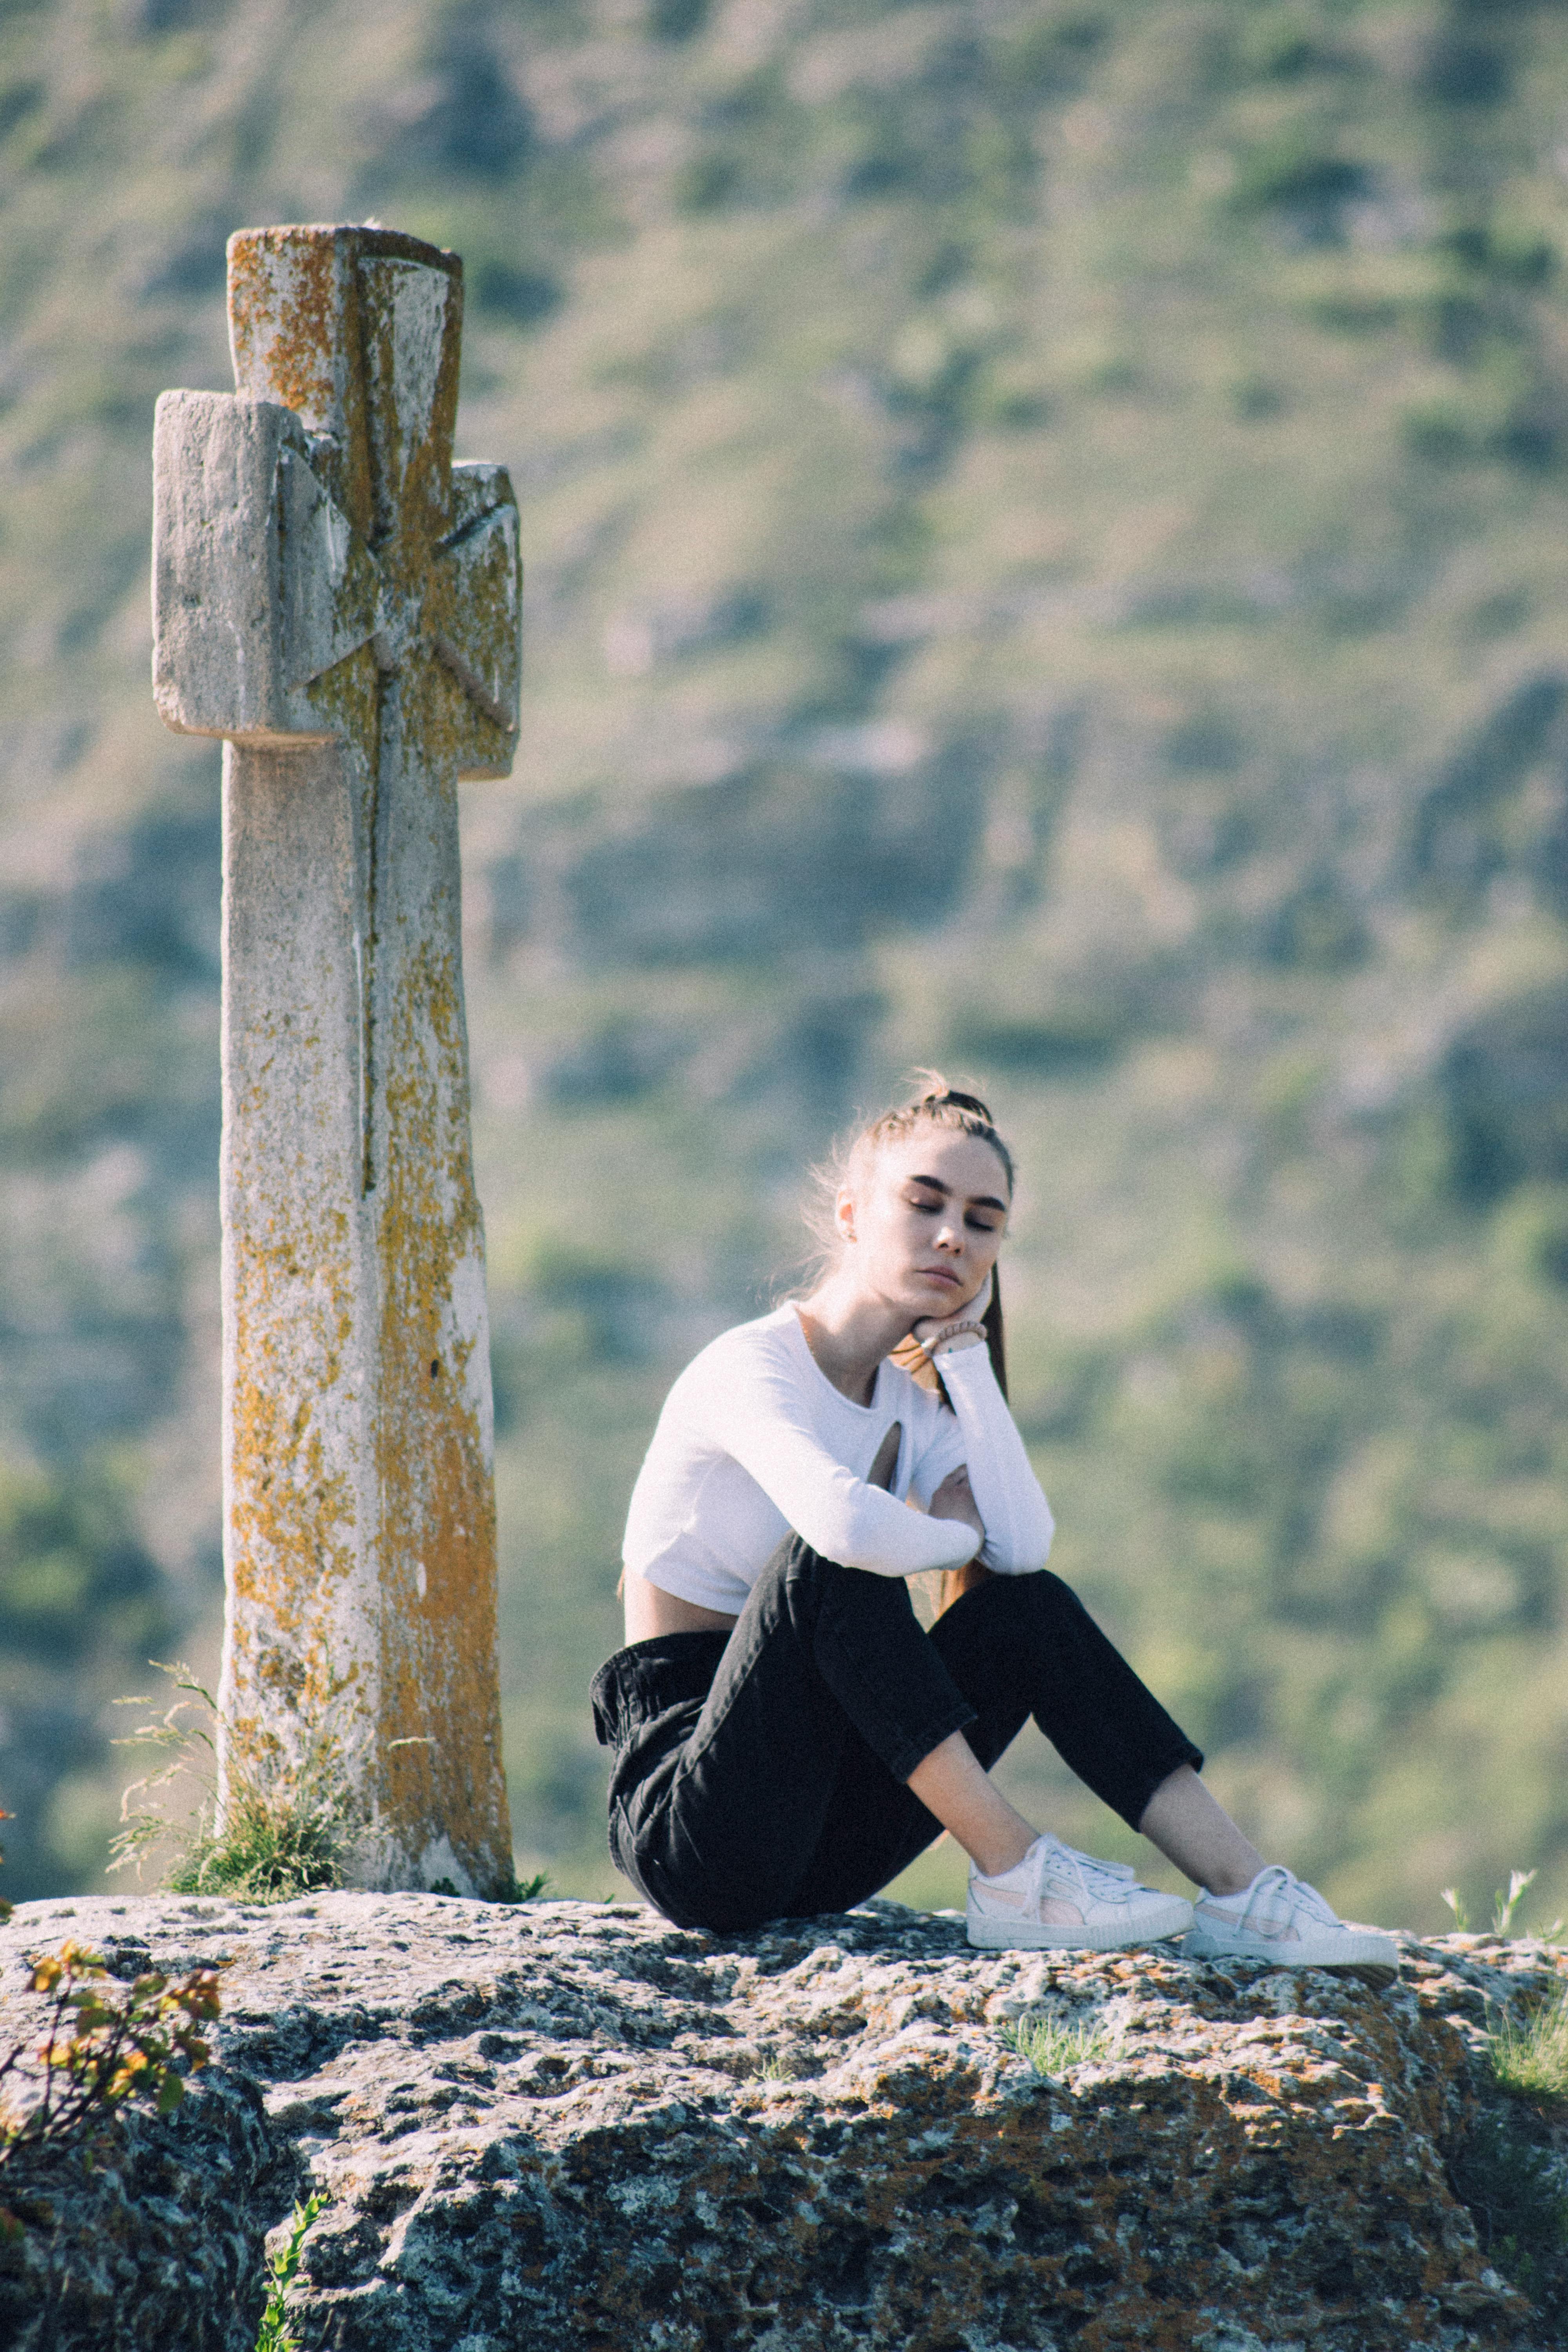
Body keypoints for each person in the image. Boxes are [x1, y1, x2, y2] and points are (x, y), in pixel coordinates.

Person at [591, 1080, 1396, 1966]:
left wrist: (964, 1359)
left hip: (823, 1846)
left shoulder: (916, 1405)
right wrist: (948, 1536)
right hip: (696, 1829)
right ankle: (1016, 1874)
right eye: (924, 1203)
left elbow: (1023, 1550)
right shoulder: (747, 1368)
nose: (951, 1236)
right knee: (822, 1569)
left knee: (1028, 1608)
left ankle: (1246, 1896)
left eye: (982, 1221)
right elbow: (847, 1533)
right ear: (853, 1213)